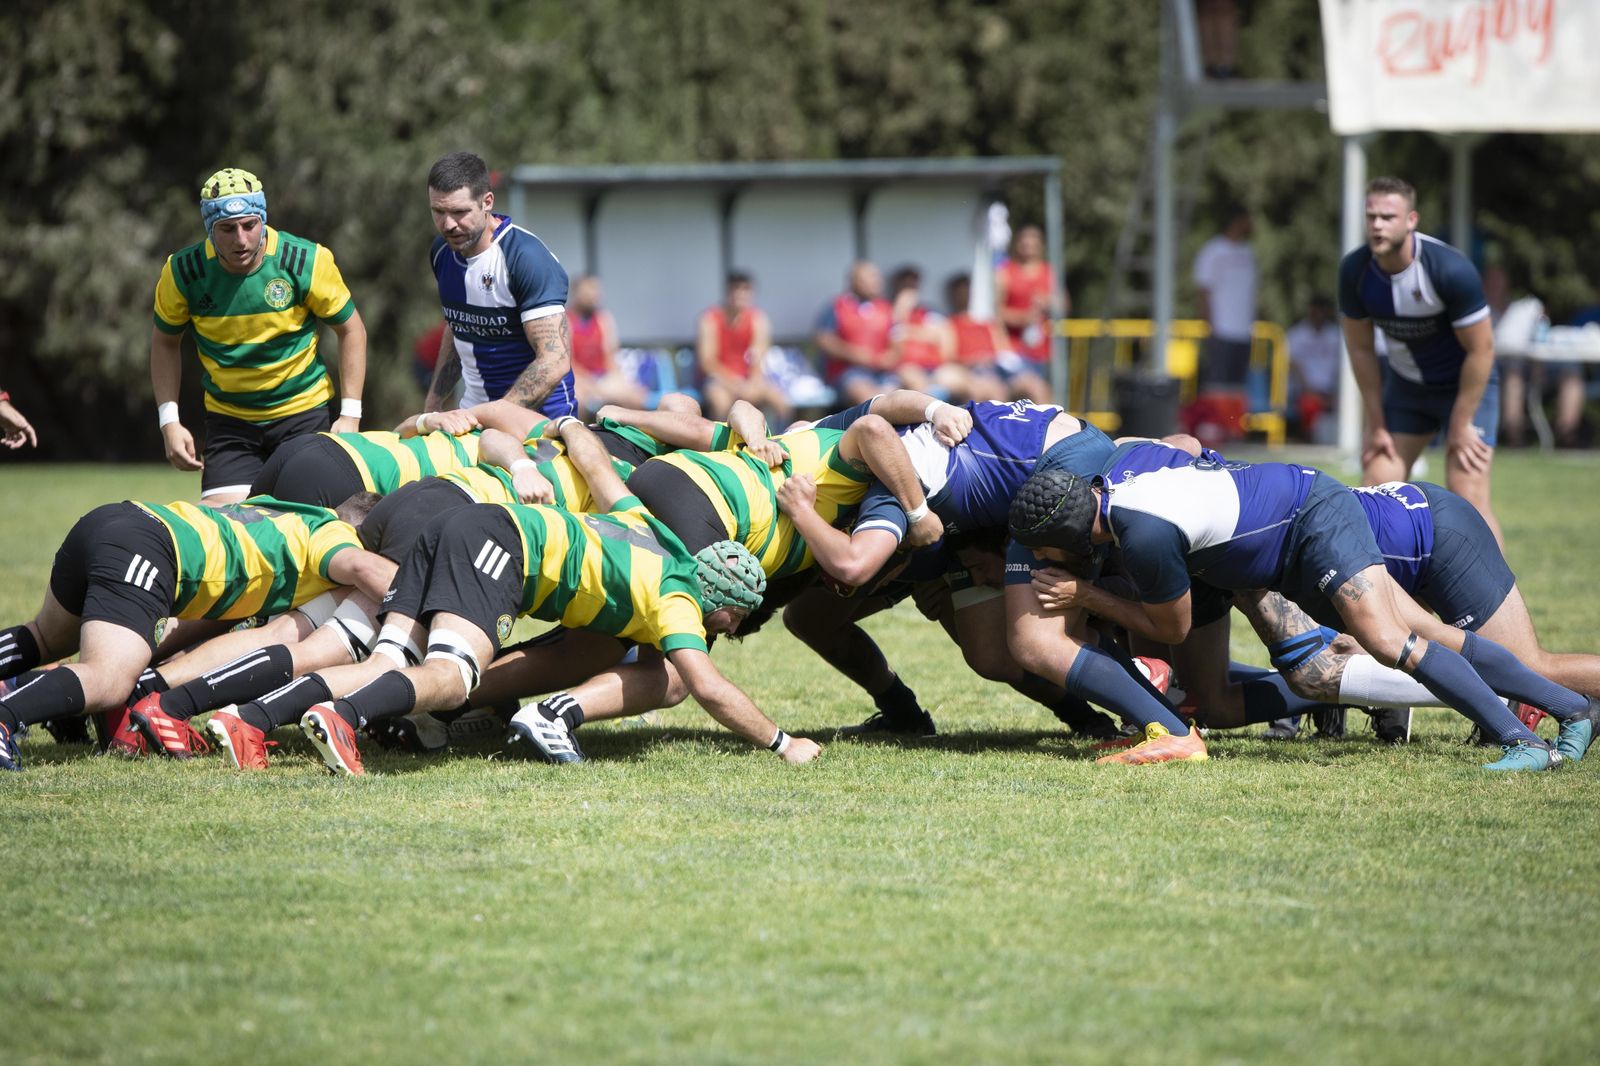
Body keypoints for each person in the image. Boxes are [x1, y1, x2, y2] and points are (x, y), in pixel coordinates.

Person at [263, 420, 821, 775]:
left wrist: (574, 425)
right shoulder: (678, 601)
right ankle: (347, 714)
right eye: (731, 622)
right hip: (497, 544)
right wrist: (782, 742)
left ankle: (257, 715)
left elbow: (599, 470)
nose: (725, 632)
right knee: (451, 676)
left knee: (387, 657)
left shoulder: (654, 532)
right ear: (722, 606)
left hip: (464, 518)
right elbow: (708, 687)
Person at [1007, 441, 1597, 772]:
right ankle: (1573, 709)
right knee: (1425, 638)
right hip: (1291, 544)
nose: (1038, 562)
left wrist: (1086, 596)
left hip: (1312, 520)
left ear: (1071, 534)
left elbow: (1173, 627)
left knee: (1388, 641)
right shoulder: (1117, 495)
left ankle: (1522, 743)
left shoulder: (1143, 535)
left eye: (1041, 551)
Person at [0, 493, 394, 769]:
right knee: (109, 678)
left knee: (46, 638)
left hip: (116, 520)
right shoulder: (336, 535)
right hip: (152, 549)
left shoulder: (292, 513)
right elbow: (361, 567)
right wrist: (417, 602)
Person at [151, 168, 368, 506]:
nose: (241, 239)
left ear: (263, 220)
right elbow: (165, 342)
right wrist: (169, 422)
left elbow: (351, 329)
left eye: (250, 225)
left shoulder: (305, 260)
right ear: (209, 228)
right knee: (227, 522)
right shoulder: (184, 272)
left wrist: (350, 414)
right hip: (231, 422)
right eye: (227, 229)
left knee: (311, 519)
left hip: (303, 413)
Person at [1340, 176, 1503, 543]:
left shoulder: (1449, 269)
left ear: (1411, 220)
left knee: (1467, 497)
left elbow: (1482, 350)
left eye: (1388, 217)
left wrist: (1461, 423)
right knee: (1374, 491)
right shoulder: (1355, 272)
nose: (1378, 225)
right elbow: (1361, 349)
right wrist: (1376, 423)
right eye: (1371, 216)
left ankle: (1496, 583)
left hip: (1466, 387)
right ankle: (1379, 580)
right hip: (1407, 387)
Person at [423, 151, 576, 419]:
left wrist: (495, 417)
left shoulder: (526, 258)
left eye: (459, 212)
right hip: (474, 418)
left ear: (487, 202)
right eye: (438, 211)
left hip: (542, 423)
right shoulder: (442, 252)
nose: (448, 224)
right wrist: (433, 406)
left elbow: (555, 360)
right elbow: (458, 327)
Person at [1191, 206, 1257, 438]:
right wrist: (1209, 323)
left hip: (1243, 330)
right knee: (1217, 384)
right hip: (1222, 328)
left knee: (1236, 385)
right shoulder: (1214, 250)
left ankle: (1232, 430)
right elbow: (1203, 288)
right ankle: (1213, 428)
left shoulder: (1248, 252)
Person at [697, 271, 790, 423]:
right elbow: (708, 362)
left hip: (748, 380)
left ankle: (782, 436)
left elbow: (759, 358)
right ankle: (719, 438)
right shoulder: (710, 319)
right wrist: (735, 384)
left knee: (780, 401)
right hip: (719, 380)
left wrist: (752, 382)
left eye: (745, 289)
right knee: (720, 402)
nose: (740, 294)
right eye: (736, 289)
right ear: (727, 292)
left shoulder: (758, 319)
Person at [814, 261, 895, 407]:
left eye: (877, 277)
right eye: (869, 277)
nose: (876, 281)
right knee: (868, 397)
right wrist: (854, 354)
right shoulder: (837, 306)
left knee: (898, 396)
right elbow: (824, 340)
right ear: (854, 281)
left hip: (881, 372)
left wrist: (889, 357)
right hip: (847, 372)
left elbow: (898, 340)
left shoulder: (886, 308)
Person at [993, 225, 1057, 405]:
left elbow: (1063, 305)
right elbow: (996, 313)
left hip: (1044, 351)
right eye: (1024, 242)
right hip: (1015, 351)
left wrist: (1049, 302)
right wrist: (1022, 318)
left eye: (1033, 242)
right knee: (1035, 392)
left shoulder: (1049, 272)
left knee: (1043, 395)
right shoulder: (1005, 272)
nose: (1028, 246)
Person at [566, 274, 647, 414]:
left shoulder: (603, 319)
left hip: (602, 378)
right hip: (577, 378)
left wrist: (619, 380)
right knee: (578, 402)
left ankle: (626, 428)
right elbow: (568, 363)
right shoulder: (565, 320)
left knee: (636, 398)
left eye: (596, 290)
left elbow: (610, 357)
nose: (594, 295)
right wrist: (592, 386)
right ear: (577, 294)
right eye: (589, 291)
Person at [885, 266, 956, 398]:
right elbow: (893, 347)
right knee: (915, 379)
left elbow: (946, 344)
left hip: (934, 366)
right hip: (906, 368)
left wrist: (910, 332)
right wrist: (900, 312)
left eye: (913, 284)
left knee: (962, 380)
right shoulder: (888, 312)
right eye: (905, 284)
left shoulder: (930, 312)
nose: (909, 289)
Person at [944, 274, 1010, 403]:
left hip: (992, 370)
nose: (964, 296)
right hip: (966, 371)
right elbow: (948, 356)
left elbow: (1003, 350)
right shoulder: (949, 324)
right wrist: (974, 360)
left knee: (1001, 389)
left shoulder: (986, 324)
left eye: (966, 291)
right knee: (979, 391)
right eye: (960, 292)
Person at [1285, 296, 1341, 441]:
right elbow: (1292, 364)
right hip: (1304, 391)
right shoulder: (1296, 334)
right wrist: (1308, 390)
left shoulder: (1336, 335)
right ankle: (1308, 438)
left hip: (1330, 390)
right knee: (1309, 405)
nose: (1319, 315)